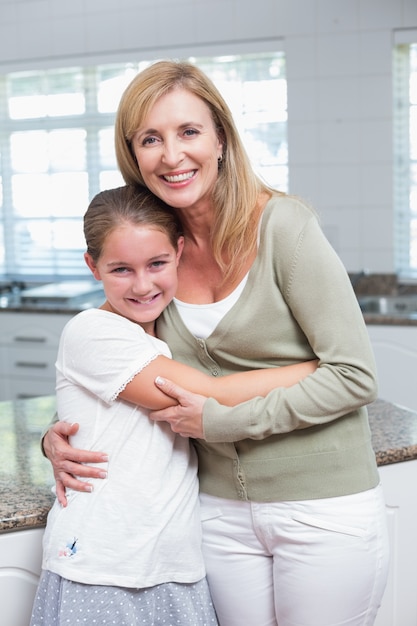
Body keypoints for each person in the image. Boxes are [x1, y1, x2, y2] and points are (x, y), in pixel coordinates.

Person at [43, 61, 390, 626]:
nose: (172, 155)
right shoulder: (156, 252)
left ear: (221, 138)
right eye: (150, 139)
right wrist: (57, 436)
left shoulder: (284, 227)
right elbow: (110, 356)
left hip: (321, 505)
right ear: (133, 155)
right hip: (216, 514)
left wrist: (222, 421)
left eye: (189, 131)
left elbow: (353, 376)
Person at [32, 184, 317, 626]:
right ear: (93, 266)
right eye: (121, 269)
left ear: (179, 252)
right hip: (103, 563)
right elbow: (210, 393)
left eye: (157, 264)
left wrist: (51, 434)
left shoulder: (166, 331)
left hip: (172, 562)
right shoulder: (90, 330)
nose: (143, 284)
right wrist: (324, 369)